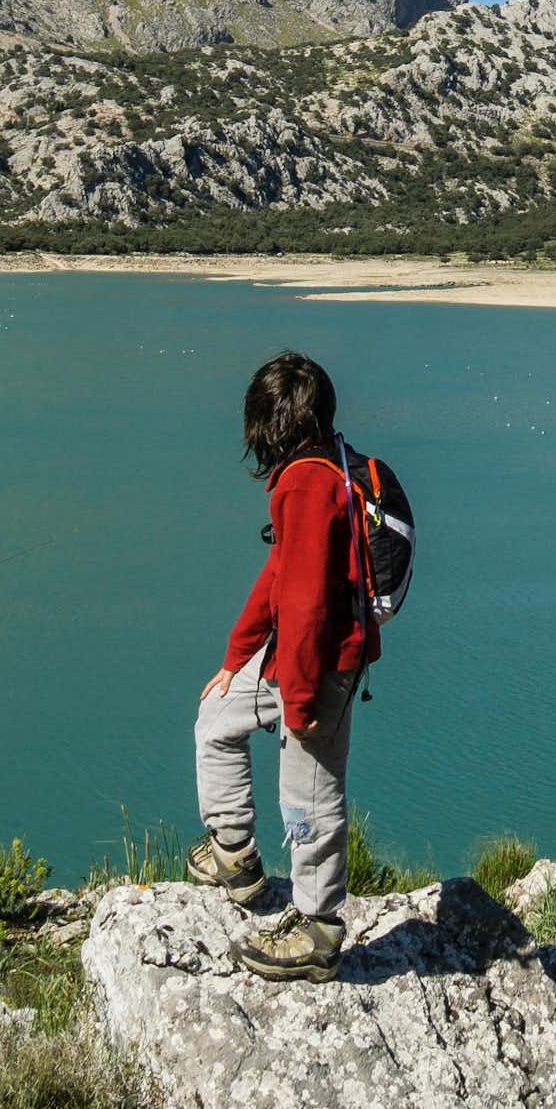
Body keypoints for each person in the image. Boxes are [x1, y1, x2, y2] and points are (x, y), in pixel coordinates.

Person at [186, 349, 380, 983]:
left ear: (267, 427)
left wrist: (299, 707)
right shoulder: (325, 463)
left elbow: (305, 606)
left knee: (309, 797)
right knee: (217, 714)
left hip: (322, 665)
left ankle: (319, 932)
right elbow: (280, 577)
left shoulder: (305, 483)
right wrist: (237, 656)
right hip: (293, 659)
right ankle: (235, 858)